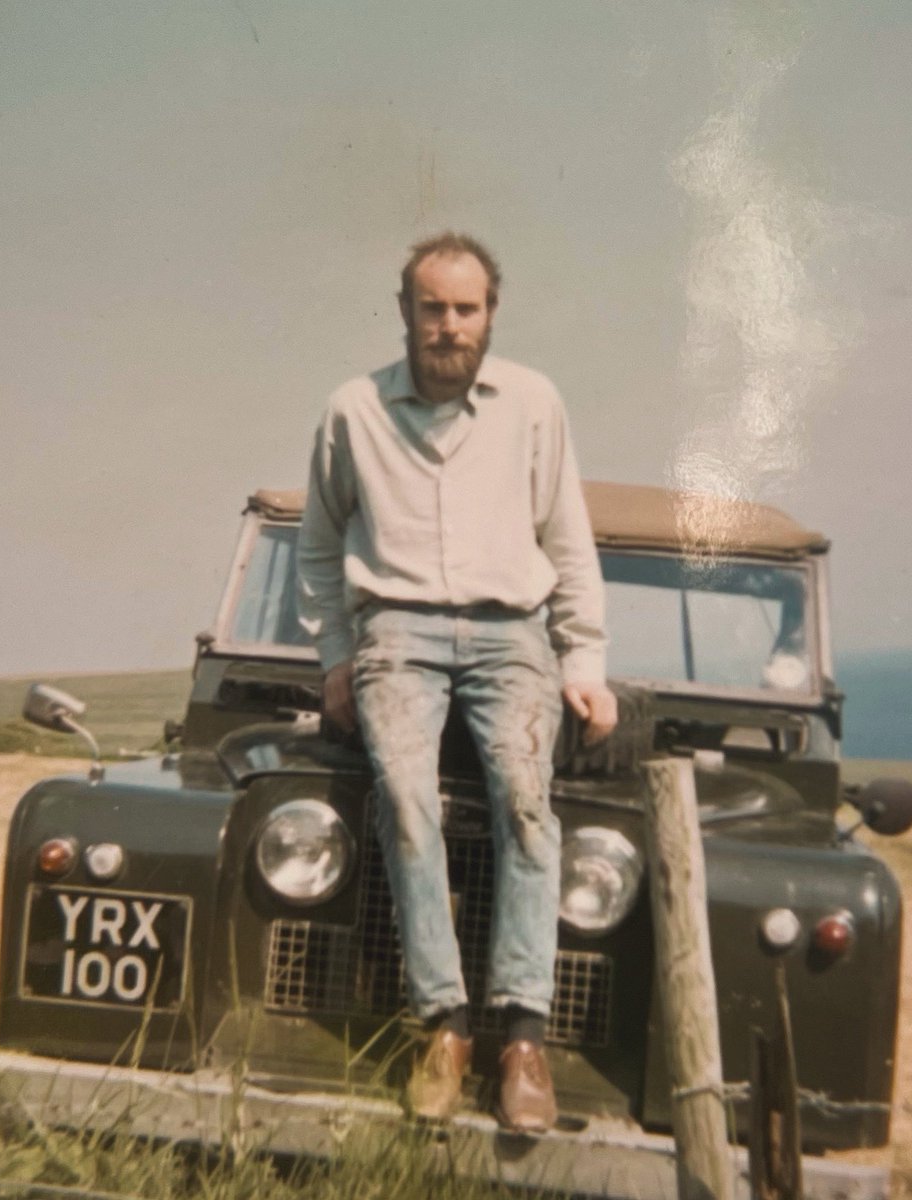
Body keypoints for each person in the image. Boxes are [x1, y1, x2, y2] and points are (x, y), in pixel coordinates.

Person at [296, 232, 617, 1133]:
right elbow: (318, 548)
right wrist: (334, 661)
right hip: (395, 629)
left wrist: (583, 664)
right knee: (404, 797)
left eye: (465, 309)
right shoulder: (352, 410)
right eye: (431, 307)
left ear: (490, 315)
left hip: (513, 632)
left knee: (526, 802)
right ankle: (444, 1026)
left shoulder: (534, 404)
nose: (448, 326)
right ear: (404, 313)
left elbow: (568, 543)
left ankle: (522, 1038)